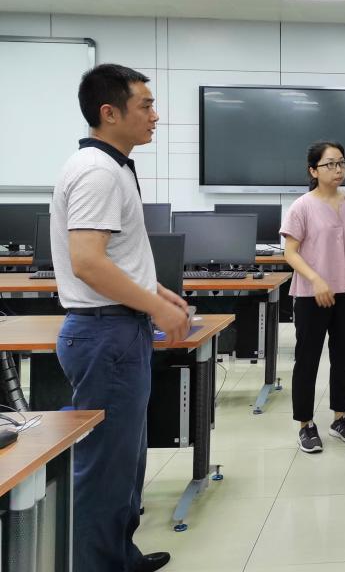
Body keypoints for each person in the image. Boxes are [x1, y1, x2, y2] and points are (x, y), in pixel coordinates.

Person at [53, 64, 190, 572]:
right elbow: (87, 262)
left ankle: (118, 556)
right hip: (106, 333)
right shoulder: (99, 172)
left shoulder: (113, 166)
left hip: (116, 330)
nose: (155, 116)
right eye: (146, 105)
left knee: (124, 462)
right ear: (109, 113)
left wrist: (156, 291)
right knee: (105, 467)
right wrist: (154, 306)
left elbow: (113, 257)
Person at [281, 140, 345, 454]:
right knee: (307, 359)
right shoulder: (302, 207)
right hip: (312, 295)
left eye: (341, 163)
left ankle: (340, 418)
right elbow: (290, 253)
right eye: (330, 164)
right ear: (313, 170)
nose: (338, 170)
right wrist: (316, 280)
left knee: (343, 356)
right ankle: (305, 424)